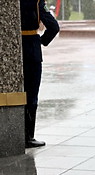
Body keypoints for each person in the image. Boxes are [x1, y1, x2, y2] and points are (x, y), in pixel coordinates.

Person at [20, 0, 59, 148]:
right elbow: (54, 27)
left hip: (11, 50)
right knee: (31, 94)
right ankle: (27, 136)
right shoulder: (36, 2)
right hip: (31, 50)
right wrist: (41, 41)